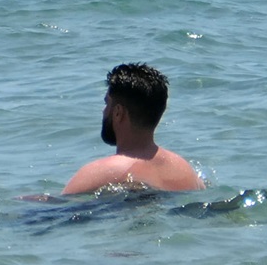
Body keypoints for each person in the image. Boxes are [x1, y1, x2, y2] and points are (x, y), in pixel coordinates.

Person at [62, 63, 205, 194]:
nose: (103, 111)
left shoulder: (100, 173)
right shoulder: (185, 170)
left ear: (118, 112)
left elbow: (57, 209)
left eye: (107, 104)